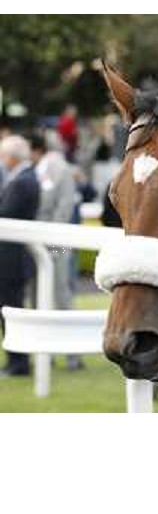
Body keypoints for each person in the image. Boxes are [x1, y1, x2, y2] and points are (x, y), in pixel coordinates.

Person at [29, 133, 83, 370]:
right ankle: (50, 352)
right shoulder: (46, 167)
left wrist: (48, 242)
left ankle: (71, 354)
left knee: (60, 294)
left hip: (56, 241)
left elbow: (63, 208)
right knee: (44, 295)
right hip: (49, 239)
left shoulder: (55, 167)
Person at [0, 135, 40, 377]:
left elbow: (6, 214)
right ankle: (14, 361)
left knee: (11, 312)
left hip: (11, 260)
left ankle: (19, 363)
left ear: (12, 157)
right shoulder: (23, 179)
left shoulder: (23, 181)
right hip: (11, 259)